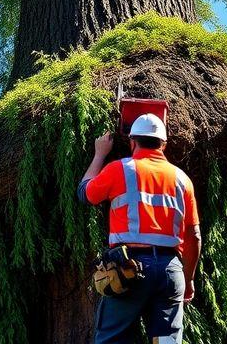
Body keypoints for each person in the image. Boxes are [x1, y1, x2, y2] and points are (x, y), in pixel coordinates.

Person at [77, 113, 201, 344]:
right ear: (164, 144)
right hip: (170, 270)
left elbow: (85, 193)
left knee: (112, 338)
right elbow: (194, 235)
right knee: (167, 342)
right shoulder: (182, 179)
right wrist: (188, 278)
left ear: (132, 141)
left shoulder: (119, 169)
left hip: (128, 268)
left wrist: (99, 154)